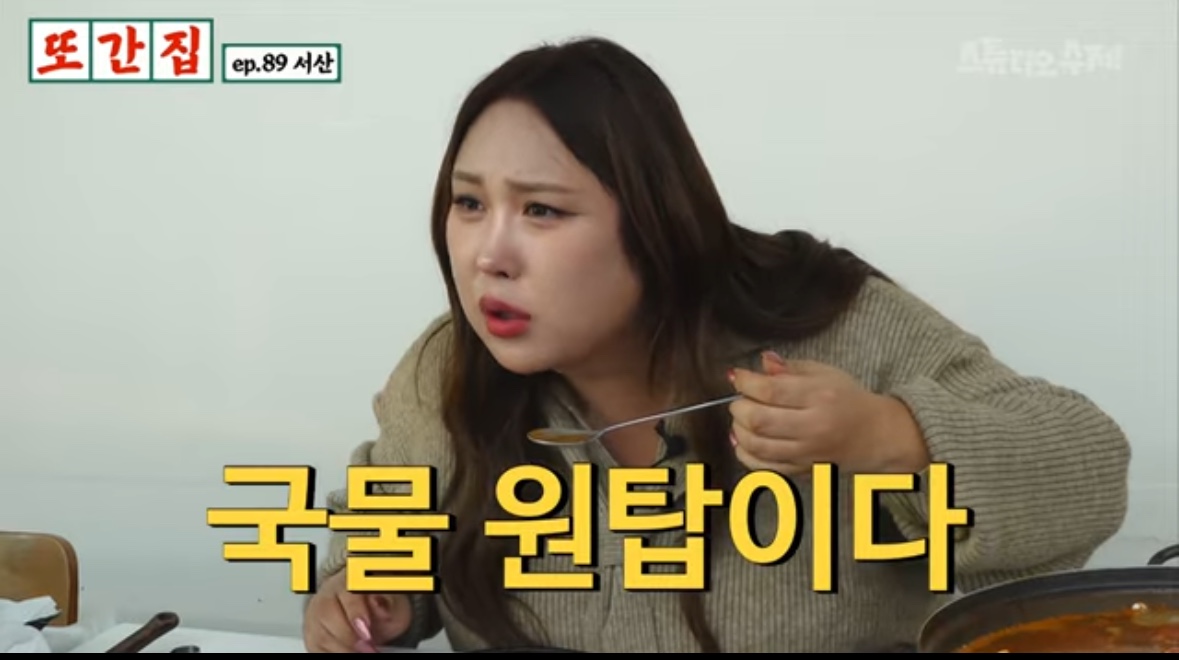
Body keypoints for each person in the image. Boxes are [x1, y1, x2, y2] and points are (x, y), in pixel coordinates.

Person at [301, 36, 1131, 653]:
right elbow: (385, 525)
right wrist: (366, 592)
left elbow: (1089, 472)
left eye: (542, 210)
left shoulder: (838, 326)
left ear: (652, 221)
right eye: (468, 204)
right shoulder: (447, 368)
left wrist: (890, 435)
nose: (489, 254)